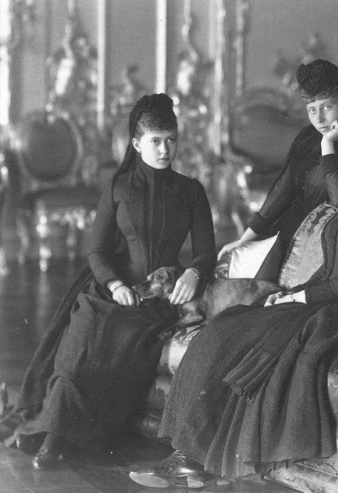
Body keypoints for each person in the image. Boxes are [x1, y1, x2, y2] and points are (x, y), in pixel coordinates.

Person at [129, 111, 338, 488]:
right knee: (224, 329)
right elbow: (331, 266)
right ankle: (186, 458)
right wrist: (293, 294)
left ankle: (191, 461)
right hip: (318, 300)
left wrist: (300, 296)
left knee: (238, 338)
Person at [12, 94, 216, 469]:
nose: (164, 149)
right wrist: (116, 285)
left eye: (170, 139)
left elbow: (206, 252)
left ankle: (82, 435)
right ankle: (54, 436)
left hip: (159, 297)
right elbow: (97, 252)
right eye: (155, 141)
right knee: (84, 336)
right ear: (137, 144)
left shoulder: (191, 191)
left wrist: (193, 272)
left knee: (122, 343)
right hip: (111, 288)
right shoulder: (119, 187)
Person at [218, 58, 338, 281]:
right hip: (296, 235)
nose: (319, 119)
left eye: (327, 107)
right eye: (311, 110)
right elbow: (282, 192)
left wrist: (328, 146)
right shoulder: (307, 138)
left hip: (337, 243)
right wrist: (244, 238)